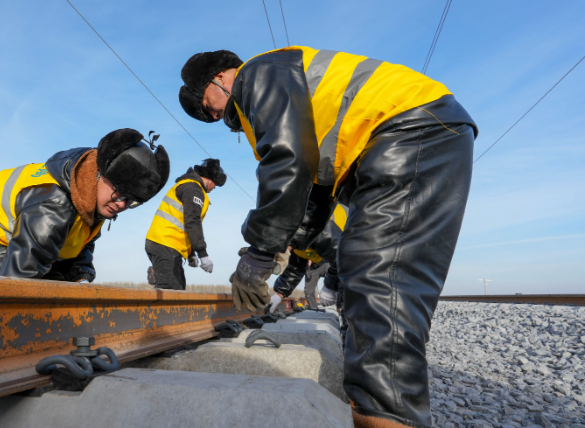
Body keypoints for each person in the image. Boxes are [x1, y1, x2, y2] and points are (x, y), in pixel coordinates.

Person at [178, 47, 477, 428]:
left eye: (210, 106)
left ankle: (386, 417)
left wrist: (258, 254)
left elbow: (288, 162)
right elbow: (311, 199)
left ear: (220, 77)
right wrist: (275, 261)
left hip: (409, 128)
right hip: (405, 134)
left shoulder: (258, 74)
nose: (217, 116)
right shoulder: (288, 94)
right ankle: (374, 408)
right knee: (367, 279)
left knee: (380, 288)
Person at [0, 128, 169, 282]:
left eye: (131, 200)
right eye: (119, 192)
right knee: (25, 298)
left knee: (58, 286)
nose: (121, 204)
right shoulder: (54, 204)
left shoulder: (93, 197)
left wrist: (80, 272)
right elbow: (21, 276)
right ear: (100, 172)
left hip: (22, 239)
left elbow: (81, 239)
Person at [145, 159, 226, 290]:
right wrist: (203, 254)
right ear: (208, 179)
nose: (214, 187)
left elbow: (182, 223)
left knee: (179, 288)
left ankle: (158, 274)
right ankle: (159, 276)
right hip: (166, 243)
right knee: (171, 291)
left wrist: (190, 253)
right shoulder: (194, 189)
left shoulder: (189, 186)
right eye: (215, 184)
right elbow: (192, 222)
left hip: (164, 242)